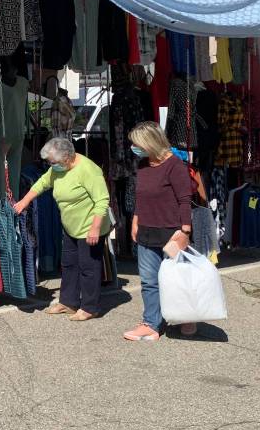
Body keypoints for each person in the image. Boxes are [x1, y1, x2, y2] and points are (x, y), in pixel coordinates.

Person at [14, 137, 111, 321]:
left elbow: (102, 200)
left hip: (89, 226)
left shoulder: (89, 170)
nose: (51, 166)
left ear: (67, 158)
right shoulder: (59, 168)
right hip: (70, 225)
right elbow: (43, 182)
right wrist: (25, 201)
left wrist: (95, 228)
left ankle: (90, 307)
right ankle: (68, 302)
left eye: (53, 162)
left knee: (88, 267)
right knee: (68, 264)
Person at [125, 122, 193, 342]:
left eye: (137, 143)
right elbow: (141, 197)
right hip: (146, 231)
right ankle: (152, 322)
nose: (134, 147)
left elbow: (185, 200)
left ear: (150, 142)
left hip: (171, 232)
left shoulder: (175, 165)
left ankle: (186, 317)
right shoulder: (143, 165)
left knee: (177, 279)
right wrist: (135, 220)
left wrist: (185, 230)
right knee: (149, 281)